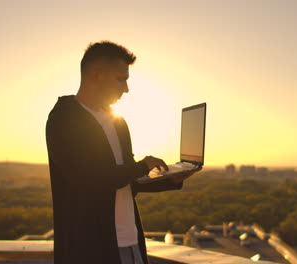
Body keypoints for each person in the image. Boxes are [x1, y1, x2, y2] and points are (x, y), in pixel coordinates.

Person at [46, 41, 199, 264]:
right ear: (96, 75)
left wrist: (170, 180)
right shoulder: (63, 119)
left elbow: (128, 181)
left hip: (130, 243)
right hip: (89, 249)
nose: (126, 88)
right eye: (121, 79)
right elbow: (88, 179)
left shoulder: (117, 122)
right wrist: (142, 165)